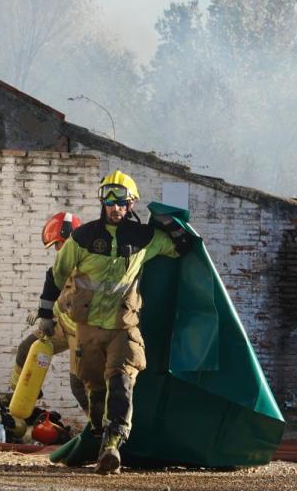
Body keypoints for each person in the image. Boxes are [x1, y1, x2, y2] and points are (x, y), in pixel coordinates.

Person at [45, 170, 193, 474]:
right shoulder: (83, 238)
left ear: (131, 203)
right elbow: (56, 275)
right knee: (94, 388)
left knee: (121, 381)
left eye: (121, 201)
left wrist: (170, 224)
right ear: (102, 201)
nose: (115, 206)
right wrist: (44, 314)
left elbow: (183, 248)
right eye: (109, 199)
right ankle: (100, 436)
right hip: (88, 330)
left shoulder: (144, 238)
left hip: (123, 329)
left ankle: (113, 445)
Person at [8, 212, 89, 417]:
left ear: (70, 241)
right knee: (26, 348)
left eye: (58, 244)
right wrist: (44, 315)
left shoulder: (88, 266)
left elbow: (72, 299)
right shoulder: (60, 267)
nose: (56, 250)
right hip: (63, 326)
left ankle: (98, 426)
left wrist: (50, 313)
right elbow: (51, 287)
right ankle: (19, 401)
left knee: (78, 385)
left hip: (83, 333)